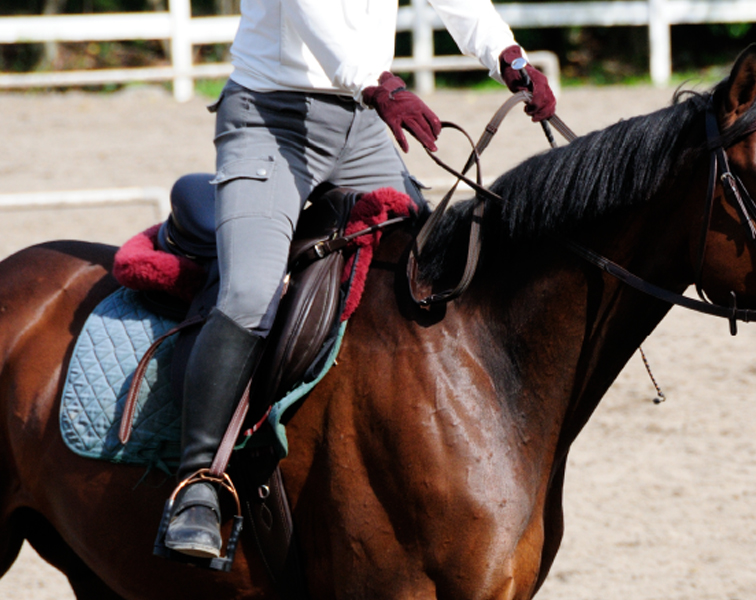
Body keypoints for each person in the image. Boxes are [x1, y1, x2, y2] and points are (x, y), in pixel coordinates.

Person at [161, 0, 557, 560]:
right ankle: (197, 483)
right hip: (271, 119)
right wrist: (380, 83)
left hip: (365, 125)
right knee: (250, 292)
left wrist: (507, 55)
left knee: (427, 276)